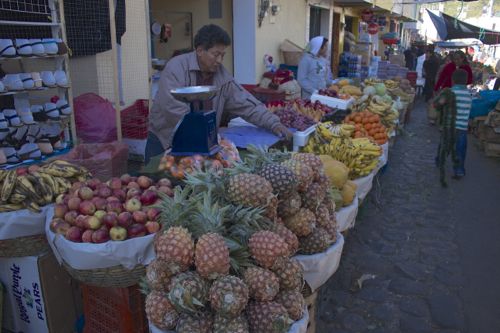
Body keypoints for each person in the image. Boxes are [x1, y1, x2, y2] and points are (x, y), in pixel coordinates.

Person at [146, 24, 291, 163]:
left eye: (223, 55)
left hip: (203, 144)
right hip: (165, 141)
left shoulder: (221, 75)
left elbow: (246, 103)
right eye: (216, 54)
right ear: (200, 50)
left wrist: (273, 123)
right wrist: (206, 135)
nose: (220, 60)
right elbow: (173, 108)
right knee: (158, 183)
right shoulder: (176, 68)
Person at [450, 69, 472, 179]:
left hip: (450, 125)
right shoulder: (469, 94)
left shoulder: (451, 92)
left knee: (444, 146)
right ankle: (459, 170)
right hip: (462, 127)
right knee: (460, 149)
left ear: (453, 80)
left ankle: (439, 161)